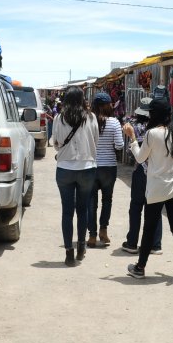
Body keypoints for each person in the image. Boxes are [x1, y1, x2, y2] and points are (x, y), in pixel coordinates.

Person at [122, 98, 173, 282]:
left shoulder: (152, 134)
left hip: (156, 188)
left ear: (153, 114)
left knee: (149, 229)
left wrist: (132, 138)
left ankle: (140, 268)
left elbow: (139, 158)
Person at [50, 86, 98, 267]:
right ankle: (81, 248)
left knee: (67, 211)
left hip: (64, 169)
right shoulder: (91, 117)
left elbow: (55, 143)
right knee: (83, 209)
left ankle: (69, 252)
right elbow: (96, 141)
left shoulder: (58, 118)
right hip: (87, 167)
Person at [121, 98, 163, 254]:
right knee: (155, 207)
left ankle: (132, 242)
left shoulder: (135, 128)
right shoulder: (160, 130)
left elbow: (129, 151)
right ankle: (156, 244)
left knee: (136, 207)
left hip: (140, 171)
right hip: (156, 171)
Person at [88, 91, 124, 248]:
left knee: (91, 202)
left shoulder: (88, 121)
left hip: (91, 166)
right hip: (109, 167)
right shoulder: (114, 122)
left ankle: (92, 236)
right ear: (107, 105)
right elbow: (120, 145)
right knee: (107, 200)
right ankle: (103, 230)